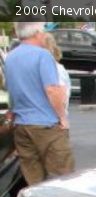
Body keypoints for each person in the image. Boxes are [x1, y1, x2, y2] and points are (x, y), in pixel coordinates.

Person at [5, 22, 75, 186]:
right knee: (63, 177)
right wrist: (62, 117)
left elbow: (11, 90)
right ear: (36, 33)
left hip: (22, 124)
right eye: (43, 31)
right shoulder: (43, 56)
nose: (44, 35)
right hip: (46, 124)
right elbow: (52, 90)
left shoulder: (10, 58)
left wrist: (13, 112)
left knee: (33, 178)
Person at [42, 33, 71, 120]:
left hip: (49, 117)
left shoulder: (54, 68)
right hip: (52, 117)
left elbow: (59, 94)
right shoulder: (58, 68)